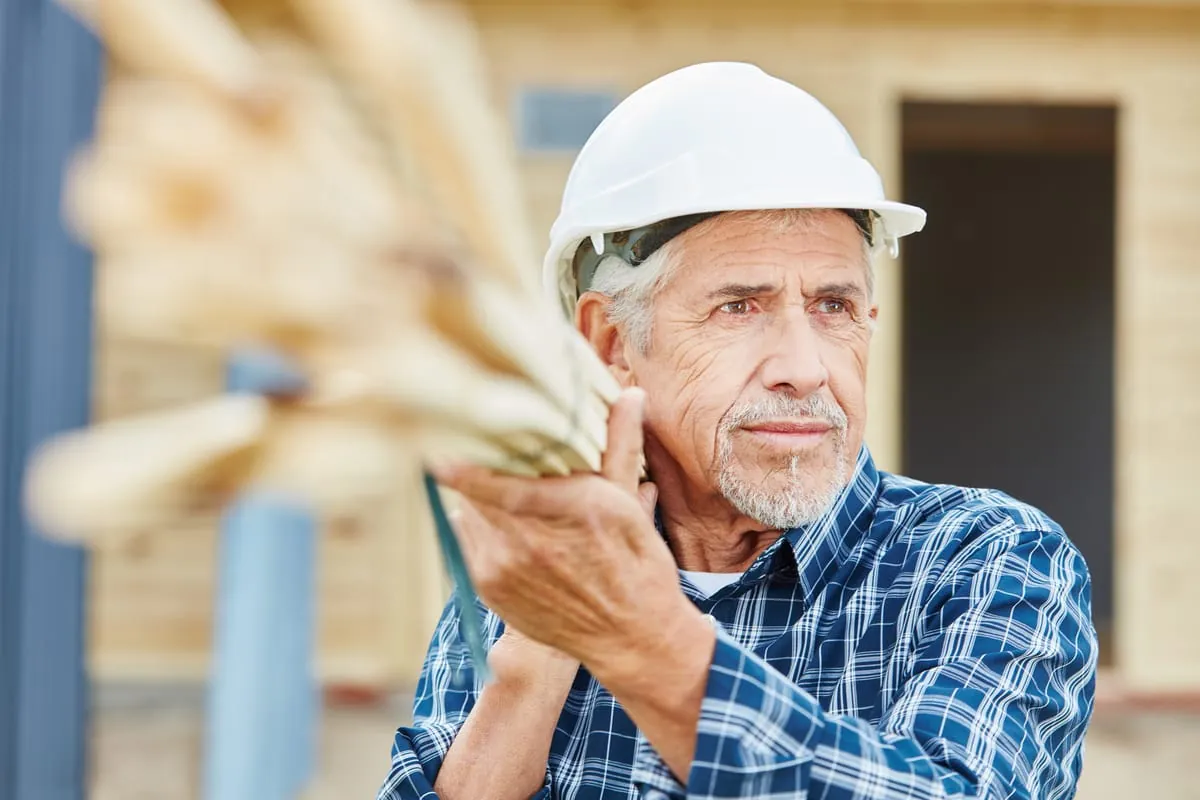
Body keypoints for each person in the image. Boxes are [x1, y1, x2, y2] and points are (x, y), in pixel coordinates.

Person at [376, 62, 1097, 800]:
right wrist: (539, 650)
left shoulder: (987, 561)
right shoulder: (538, 571)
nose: (805, 368)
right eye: (740, 307)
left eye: (833, 307)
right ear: (611, 344)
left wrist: (634, 635)